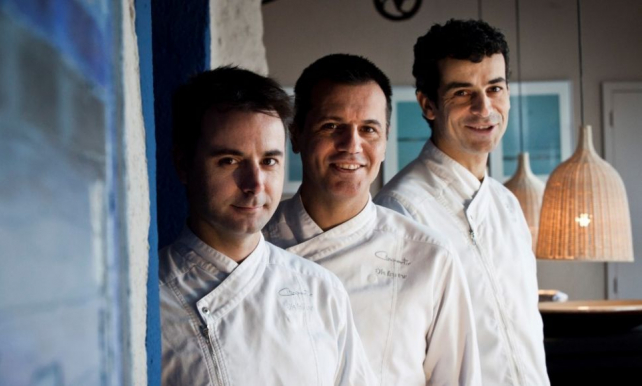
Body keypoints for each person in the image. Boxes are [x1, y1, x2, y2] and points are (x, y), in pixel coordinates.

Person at [264, 54, 480, 385]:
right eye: (331, 126)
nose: (351, 146)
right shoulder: (254, 244)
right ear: (296, 134)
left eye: (368, 129)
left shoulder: (430, 256)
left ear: (385, 138)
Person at [159, 66, 376, 385]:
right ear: (183, 165)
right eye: (229, 161)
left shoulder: (319, 289)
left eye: (269, 161)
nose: (255, 184)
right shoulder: (152, 298)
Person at [374, 19, 550, 385]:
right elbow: (393, 360)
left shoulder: (507, 206)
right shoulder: (399, 212)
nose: (484, 108)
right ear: (428, 105)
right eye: (462, 92)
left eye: (495, 88)